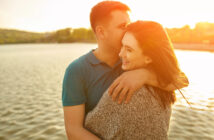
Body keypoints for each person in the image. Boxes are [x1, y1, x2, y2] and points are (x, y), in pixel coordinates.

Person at [62, 1, 188, 140]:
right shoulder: (77, 70)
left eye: (129, 25)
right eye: (123, 26)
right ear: (101, 32)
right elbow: (73, 131)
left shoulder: (134, 59)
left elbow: (182, 80)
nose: (129, 30)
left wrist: (144, 75)